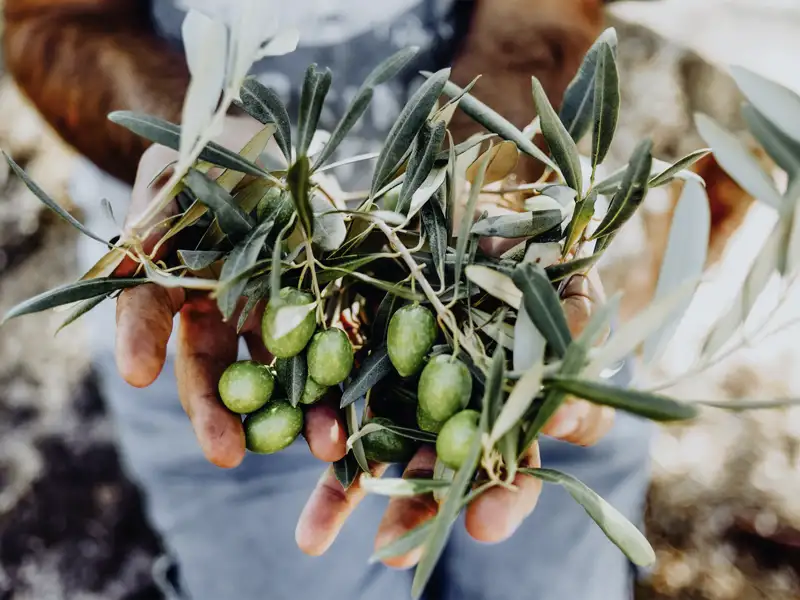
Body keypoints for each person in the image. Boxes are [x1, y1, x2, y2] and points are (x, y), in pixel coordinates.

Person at [3, 1, 654, 598]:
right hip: (218, 300)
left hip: (512, 300)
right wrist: (197, 148)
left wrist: (495, 181)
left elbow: (543, 14)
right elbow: (49, 19)